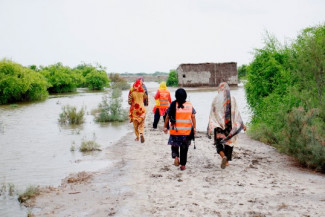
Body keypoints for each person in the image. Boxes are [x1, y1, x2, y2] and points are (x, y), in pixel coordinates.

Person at [207, 82, 246, 169]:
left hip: (218, 125)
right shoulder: (232, 98)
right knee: (229, 143)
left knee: (218, 143)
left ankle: (224, 157)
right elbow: (236, 112)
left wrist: (210, 124)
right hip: (229, 125)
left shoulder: (216, 99)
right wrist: (242, 124)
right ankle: (227, 159)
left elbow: (212, 113)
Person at [163, 88, 196, 171]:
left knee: (174, 146)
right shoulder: (189, 105)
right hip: (186, 132)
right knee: (184, 149)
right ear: (185, 96)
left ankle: (176, 156)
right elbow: (193, 117)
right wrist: (194, 128)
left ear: (176, 96)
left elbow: (167, 116)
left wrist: (165, 127)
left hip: (175, 132)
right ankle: (183, 165)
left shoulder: (173, 105)